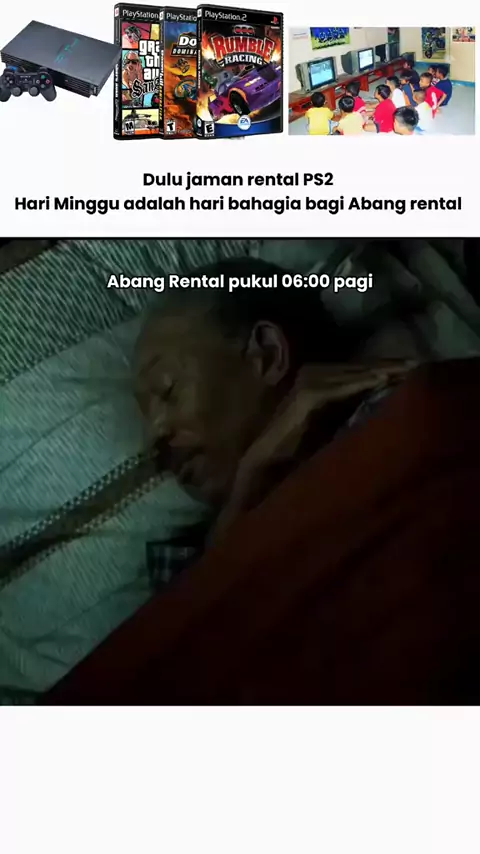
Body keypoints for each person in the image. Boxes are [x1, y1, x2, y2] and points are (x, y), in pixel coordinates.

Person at [43, 258, 480, 704]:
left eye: (169, 391)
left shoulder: (419, 413)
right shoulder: (181, 570)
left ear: (266, 354)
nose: (154, 437)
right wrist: (249, 487)